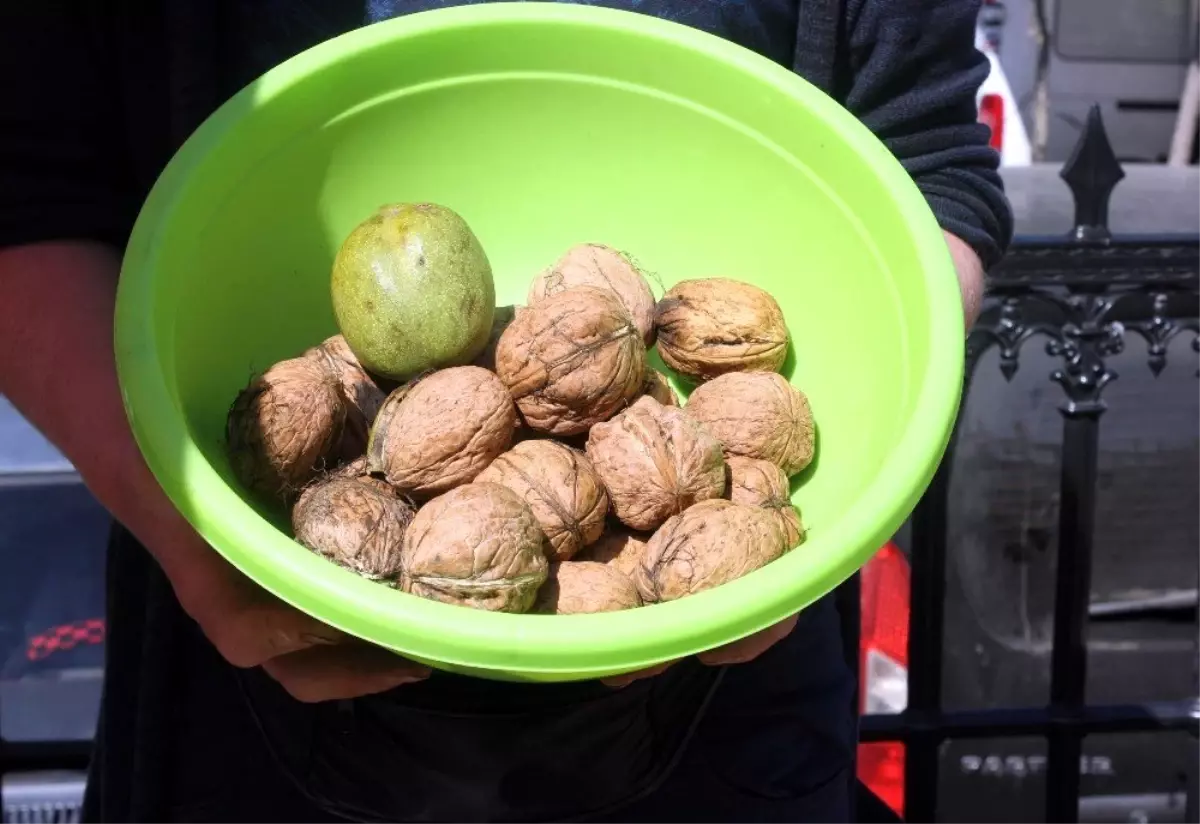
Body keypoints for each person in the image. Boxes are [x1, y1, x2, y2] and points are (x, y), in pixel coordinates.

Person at [0, 2, 1011, 822]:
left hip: (731, 722)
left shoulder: (631, 412)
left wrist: (794, 544)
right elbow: (28, 199)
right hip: (250, 709)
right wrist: (185, 530)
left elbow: (926, 177)